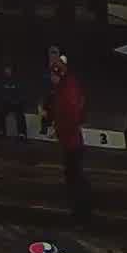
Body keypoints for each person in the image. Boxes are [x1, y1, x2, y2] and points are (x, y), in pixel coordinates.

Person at [44, 49, 92, 222]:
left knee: (74, 176)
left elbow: (71, 115)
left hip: (72, 142)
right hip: (70, 140)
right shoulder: (67, 86)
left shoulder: (66, 92)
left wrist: (57, 129)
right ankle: (81, 209)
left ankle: (82, 213)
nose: (51, 79)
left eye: (53, 75)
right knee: (73, 174)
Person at [0, 60, 30, 138]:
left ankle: (22, 133)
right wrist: (4, 100)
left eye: (8, 69)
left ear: (12, 70)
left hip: (17, 103)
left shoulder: (18, 80)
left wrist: (17, 101)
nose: (7, 71)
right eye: (6, 69)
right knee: (0, 111)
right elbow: (0, 93)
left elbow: (22, 93)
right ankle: (0, 131)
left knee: (20, 114)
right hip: (7, 103)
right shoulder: (2, 80)